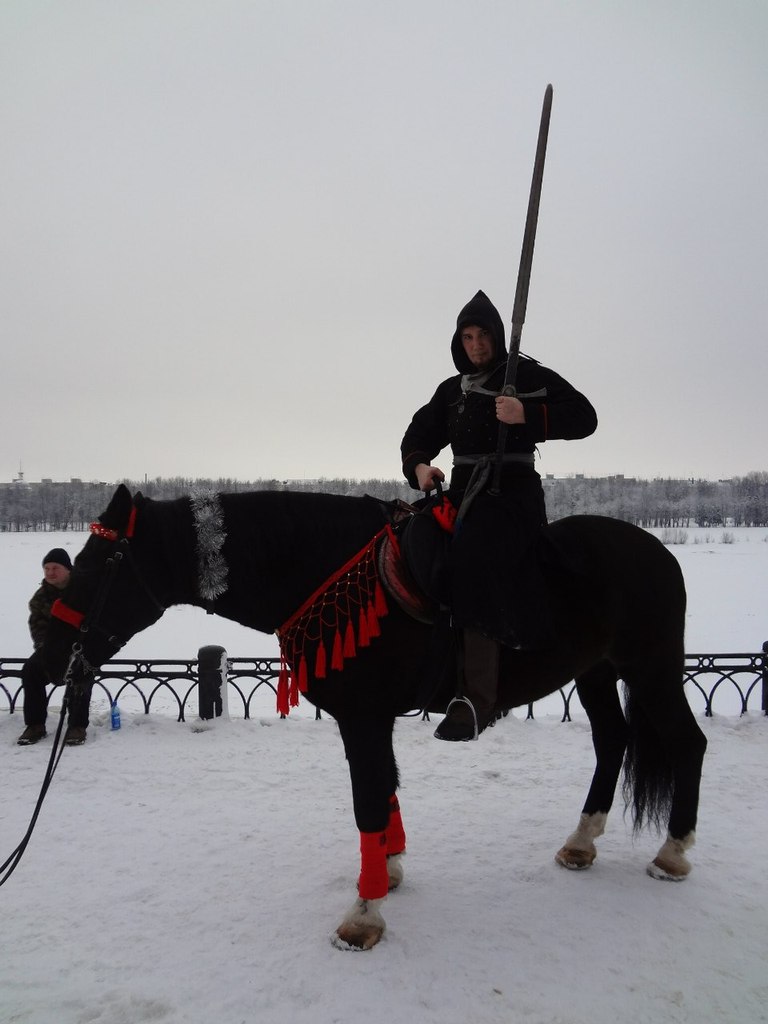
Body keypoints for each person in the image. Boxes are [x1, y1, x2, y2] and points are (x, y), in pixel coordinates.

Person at [400, 289, 597, 741]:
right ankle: (428, 665)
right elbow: (418, 434)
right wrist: (420, 467)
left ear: (497, 336)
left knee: (474, 556)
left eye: (483, 335)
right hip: (463, 491)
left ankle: (478, 698)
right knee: (413, 541)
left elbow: (584, 417)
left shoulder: (524, 375)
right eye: (467, 337)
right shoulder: (451, 391)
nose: (476, 345)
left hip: (512, 495)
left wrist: (527, 413)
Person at [16, 547, 91, 746]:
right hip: (51, 648)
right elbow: (37, 625)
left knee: (82, 672)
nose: (50, 573)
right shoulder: (40, 597)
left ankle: (77, 726)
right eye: (47, 568)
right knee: (31, 670)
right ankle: (35, 725)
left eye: (55, 568)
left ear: (68, 569)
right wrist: (44, 648)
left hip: (81, 648)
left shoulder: (83, 591)